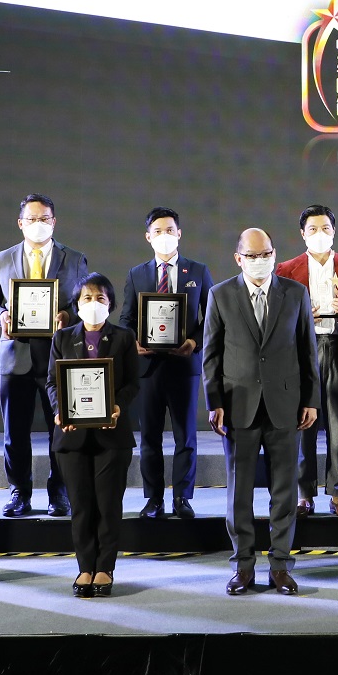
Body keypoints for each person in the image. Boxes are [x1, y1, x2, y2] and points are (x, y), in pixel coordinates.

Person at [202, 228, 319, 596]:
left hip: (286, 406)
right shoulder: (221, 294)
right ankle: (243, 566)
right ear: (239, 258)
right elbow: (211, 355)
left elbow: (307, 350)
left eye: (266, 253)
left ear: (274, 254)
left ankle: (280, 566)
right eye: (252, 256)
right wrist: (214, 402)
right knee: (239, 493)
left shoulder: (295, 293)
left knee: (284, 492)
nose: (260, 260)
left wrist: (311, 399)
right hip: (238, 407)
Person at [0, 194, 87, 518]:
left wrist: (68, 316)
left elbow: (85, 301)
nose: (38, 224)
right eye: (32, 219)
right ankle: (19, 493)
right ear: (20, 223)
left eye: (44, 219)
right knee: (15, 433)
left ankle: (60, 494)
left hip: (58, 358)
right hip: (15, 357)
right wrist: (2, 316)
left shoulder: (74, 258)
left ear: (54, 222)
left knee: (62, 430)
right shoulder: (3, 258)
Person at [275, 205, 338, 517]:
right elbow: (276, 314)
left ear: (334, 231)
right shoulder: (286, 269)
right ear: (302, 234)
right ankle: (304, 494)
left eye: (325, 228)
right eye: (313, 229)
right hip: (303, 352)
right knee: (303, 423)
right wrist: (302, 316)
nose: (320, 234)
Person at [118, 208, 212, 521]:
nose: (164, 236)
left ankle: (182, 498)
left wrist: (194, 343)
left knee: (186, 436)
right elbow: (126, 318)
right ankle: (154, 499)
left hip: (184, 366)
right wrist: (133, 342)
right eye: (158, 231)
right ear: (148, 237)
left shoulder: (197, 271)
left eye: (170, 230)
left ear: (179, 233)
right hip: (148, 368)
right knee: (150, 437)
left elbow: (212, 318)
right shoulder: (137, 274)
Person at [49, 273, 139, 598]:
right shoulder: (62, 338)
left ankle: (105, 568)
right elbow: (52, 382)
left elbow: (133, 383)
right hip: (71, 436)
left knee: (108, 504)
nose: (93, 303)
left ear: (110, 304)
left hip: (112, 436)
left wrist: (116, 406)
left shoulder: (124, 337)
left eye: (100, 298)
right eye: (86, 298)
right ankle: (85, 567)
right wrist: (60, 410)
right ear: (76, 304)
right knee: (81, 506)